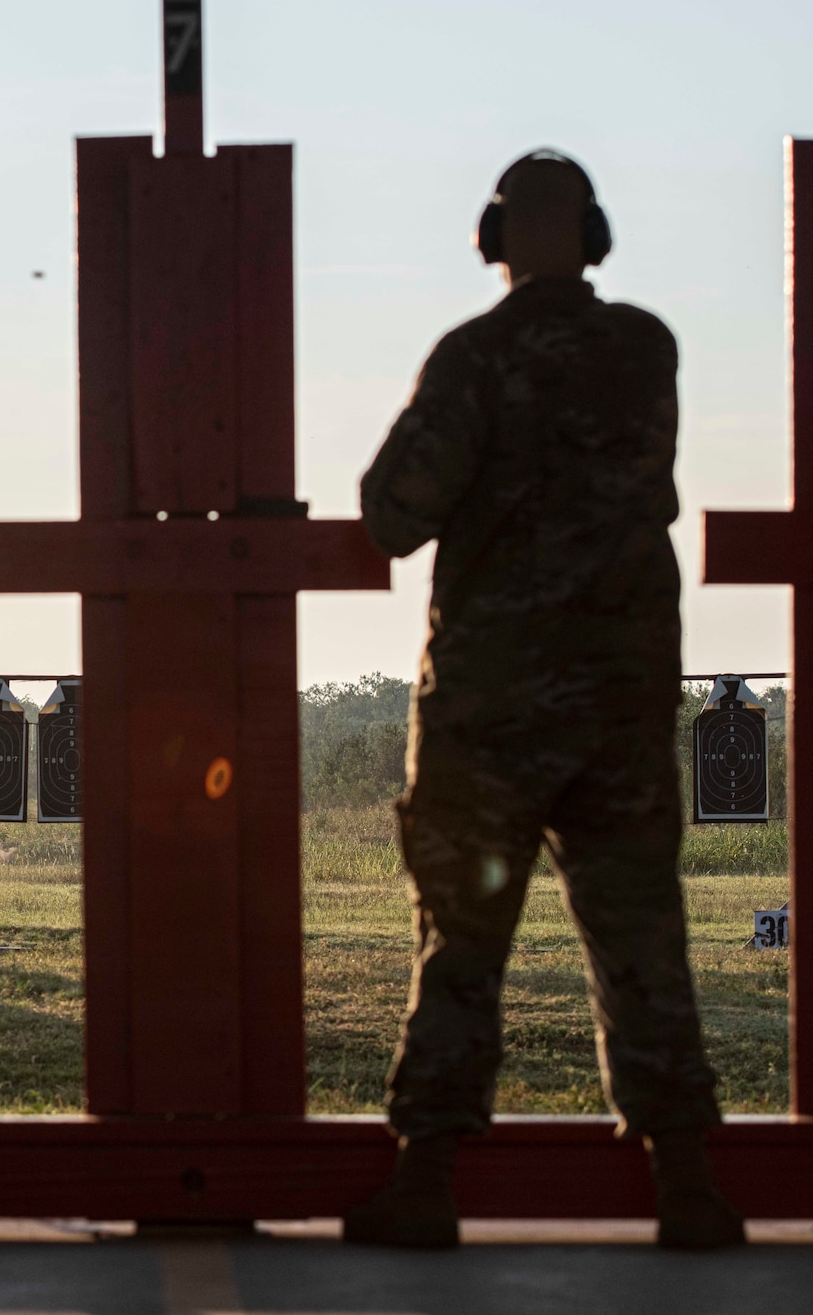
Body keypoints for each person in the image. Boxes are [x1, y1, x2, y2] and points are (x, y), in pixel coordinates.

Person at [347, 151, 743, 1250]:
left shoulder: (474, 357)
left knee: (460, 944)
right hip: (617, 704)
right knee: (641, 943)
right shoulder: (642, 347)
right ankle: (686, 1186)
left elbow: (394, 511)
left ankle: (424, 1180)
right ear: (594, 233)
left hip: (490, 710)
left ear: (490, 238)